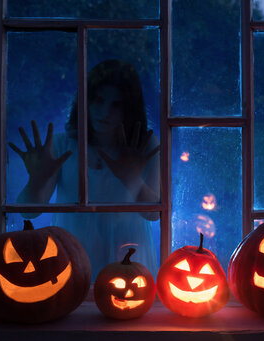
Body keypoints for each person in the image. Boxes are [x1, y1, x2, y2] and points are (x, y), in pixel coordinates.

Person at [9, 60, 160, 278]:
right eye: (98, 100)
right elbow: (28, 211)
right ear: (85, 102)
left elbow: (154, 214)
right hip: (72, 262)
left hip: (129, 264)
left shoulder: (145, 145)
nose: (104, 112)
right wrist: (37, 179)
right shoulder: (63, 145)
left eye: (116, 105)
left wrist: (131, 179)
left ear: (129, 109)